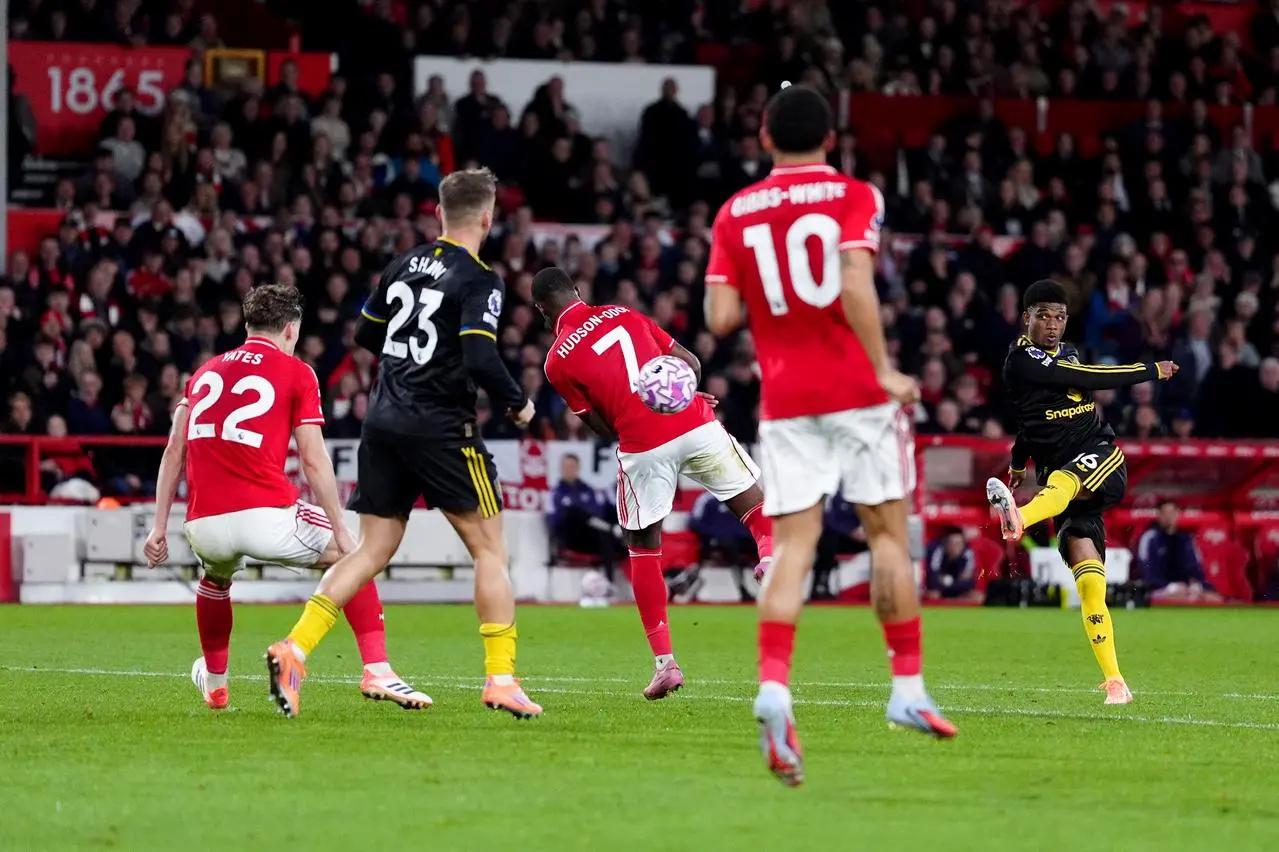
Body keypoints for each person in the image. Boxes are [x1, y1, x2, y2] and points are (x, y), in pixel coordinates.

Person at [702, 83, 957, 788]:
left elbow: (720, 316)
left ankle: (774, 689)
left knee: (792, 545)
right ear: (830, 139)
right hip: (856, 393)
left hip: (786, 399)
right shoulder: (855, 195)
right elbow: (852, 282)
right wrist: (884, 368)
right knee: (884, 535)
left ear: (762, 137)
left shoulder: (733, 212)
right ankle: (906, 689)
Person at [264, 168, 542, 719]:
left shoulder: (404, 263)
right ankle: (502, 679)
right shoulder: (480, 278)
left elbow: (367, 333)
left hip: (383, 422)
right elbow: (482, 355)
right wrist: (519, 402)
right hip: (442, 428)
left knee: (371, 550)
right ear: (487, 218)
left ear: (439, 214)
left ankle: (294, 648)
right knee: (490, 551)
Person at [143, 285, 429, 711]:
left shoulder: (204, 372)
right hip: (266, 516)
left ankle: (217, 687)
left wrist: (159, 526)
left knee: (216, 580)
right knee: (359, 554)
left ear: (247, 325)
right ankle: (377, 670)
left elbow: (173, 451)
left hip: (202, 524)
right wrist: (340, 530)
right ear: (292, 329)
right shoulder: (297, 372)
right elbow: (313, 459)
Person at [535, 266, 773, 700]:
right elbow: (692, 363)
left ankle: (665, 664)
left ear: (541, 311)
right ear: (577, 289)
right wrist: (681, 397)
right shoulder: (624, 313)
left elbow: (602, 428)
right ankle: (771, 558)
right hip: (694, 423)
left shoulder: (556, 363)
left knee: (643, 548)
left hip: (643, 445)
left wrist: (638, 415)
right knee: (754, 503)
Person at [985, 279, 1178, 706]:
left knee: (1062, 482)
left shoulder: (1066, 352)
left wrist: (1018, 466)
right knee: (1089, 578)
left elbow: (1051, 406)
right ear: (1027, 319)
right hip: (1063, 482)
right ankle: (1115, 681)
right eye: (1044, 316)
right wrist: (1150, 369)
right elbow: (1043, 414)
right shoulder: (1021, 361)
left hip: (1100, 457)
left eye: (1059, 317)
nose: (1052, 325)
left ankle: (1019, 518)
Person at [1136, 500, 1221, 603]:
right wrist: (1170, 586)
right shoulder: (1150, 538)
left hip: (1186, 588)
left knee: (1214, 598)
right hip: (1160, 589)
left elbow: (1195, 567)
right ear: (1159, 515)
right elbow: (1145, 571)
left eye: (1172, 512)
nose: (1168, 517)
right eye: (1164, 513)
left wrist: (1197, 585)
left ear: (1177, 514)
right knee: (1181, 597)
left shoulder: (1186, 539)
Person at [923, 529, 981, 601]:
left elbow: (968, 582)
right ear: (945, 543)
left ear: (963, 545)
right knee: (933, 595)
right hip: (939, 589)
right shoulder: (936, 551)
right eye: (951, 543)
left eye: (958, 544)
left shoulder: (968, 554)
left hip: (959, 590)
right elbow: (933, 578)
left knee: (978, 596)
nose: (954, 547)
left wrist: (949, 582)